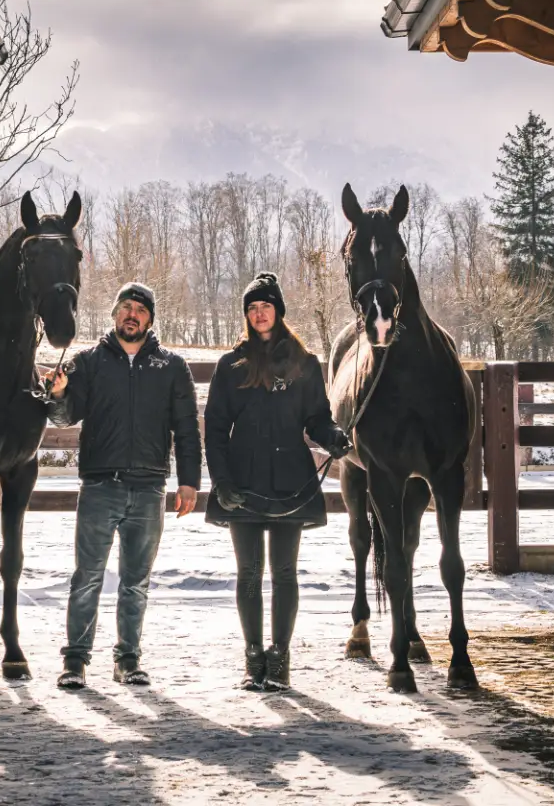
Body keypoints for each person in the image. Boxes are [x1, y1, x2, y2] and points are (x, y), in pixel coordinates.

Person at [48, 282, 201, 689]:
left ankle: (127, 660)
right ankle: (75, 662)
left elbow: (187, 429)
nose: (132, 314)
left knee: (136, 582)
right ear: (114, 313)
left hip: (149, 490)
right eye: (126, 307)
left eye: (140, 310)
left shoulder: (171, 367)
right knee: (88, 577)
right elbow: (65, 418)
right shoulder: (89, 362)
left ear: (150, 320)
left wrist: (188, 482)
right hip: (100, 487)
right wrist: (60, 394)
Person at [204, 272, 351, 692]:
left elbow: (317, 419)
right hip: (243, 481)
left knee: (284, 572)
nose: (259, 313)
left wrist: (333, 437)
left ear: (278, 311)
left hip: (290, 481)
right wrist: (221, 480)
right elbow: (215, 428)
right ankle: (254, 658)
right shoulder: (230, 365)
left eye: (265, 306)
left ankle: (280, 657)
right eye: (251, 308)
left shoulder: (304, 364)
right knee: (248, 572)